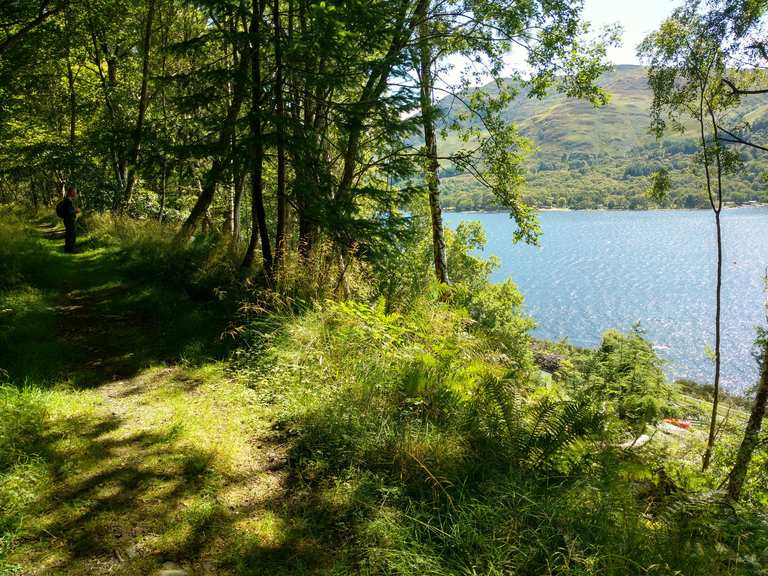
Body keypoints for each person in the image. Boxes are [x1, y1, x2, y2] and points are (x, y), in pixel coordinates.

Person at [62, 186, 80, 253]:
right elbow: (69, 212)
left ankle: (68, 249)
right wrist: (76, 210)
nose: (75, 193)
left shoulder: (67, 199)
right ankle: (71, 250)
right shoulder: (68, 201)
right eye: (74, 192)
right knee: (71, 235)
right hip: (70, 220)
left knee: (69, 234)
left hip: (68, 219)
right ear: (71, 192)